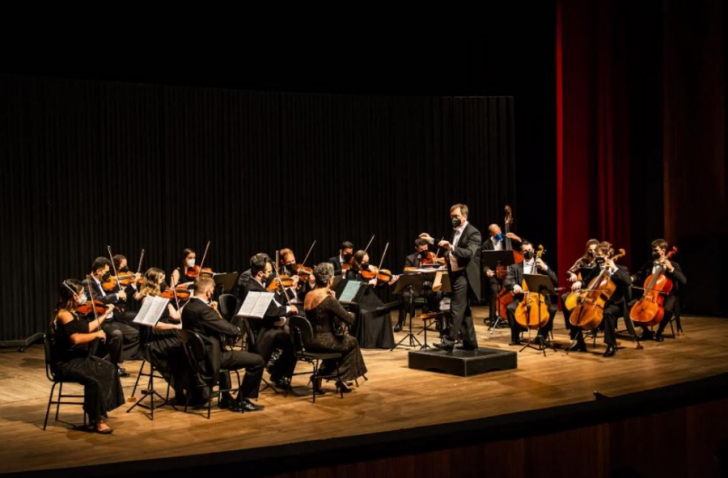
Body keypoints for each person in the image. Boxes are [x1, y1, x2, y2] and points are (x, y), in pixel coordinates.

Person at [50, 279, 125, 434]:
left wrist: (106, 314)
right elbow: (76, 339)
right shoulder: (64, 315)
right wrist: (96, 334)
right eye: (81, 293)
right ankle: (96, 419)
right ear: (73, 296)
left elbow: (88, 327)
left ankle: (100, 411)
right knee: (94, 380)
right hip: (66, 363)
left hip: (79, 359)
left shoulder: (74, 314)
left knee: (110, 368)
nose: (84, 296)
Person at [182, 276, 265, 412]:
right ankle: (243, 400)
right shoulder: (204, 310)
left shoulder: (188, 307)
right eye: (212, 290)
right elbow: (229, 329)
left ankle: (226, 398)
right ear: (208, 292)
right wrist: (238, 329)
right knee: (258, 360)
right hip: (212, 358)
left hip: (198, 357)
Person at [420, 203, 482, 351]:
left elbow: (469, 253)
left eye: (456, 216)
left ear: (465, 216)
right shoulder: (455, 231)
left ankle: (448, 341)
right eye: (452, 217)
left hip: (464, 275)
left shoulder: (473, 233)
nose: (453, 219)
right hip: (454, 274)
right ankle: (470, 342)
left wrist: (452, 248)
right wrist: (431, 240)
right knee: (463, 309)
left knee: (455, 307)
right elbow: (446, 245)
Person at [304, 263, 368, 394]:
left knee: (342, 343)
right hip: (324, 341)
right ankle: (337, 378)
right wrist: (339, 303)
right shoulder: (329, 299)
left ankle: (324, 376)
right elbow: (349, 320)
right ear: (329, 280)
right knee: (352, 342)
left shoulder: (308, 295)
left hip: (309, 340)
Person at [241, 253, 299, 390]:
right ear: (260, 273)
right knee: (293, 342)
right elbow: (268, 313)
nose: (272, 274)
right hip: (264, 332)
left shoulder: (257, 285)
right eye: (269, 271)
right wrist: (288, 309)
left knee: (294, 343)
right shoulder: (254, 289)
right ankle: (277, 374)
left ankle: (277, 373)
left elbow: (272, 306)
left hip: (268, 328)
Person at [567, 242, 631, 356]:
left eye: (599, 255)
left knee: (608, 312)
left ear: (607, 256)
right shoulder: (597, 268)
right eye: (596, 255)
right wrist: (579, 282)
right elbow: (586, 280)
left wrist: (614, 268)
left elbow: (627, 281)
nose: (597, 258)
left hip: (615, 303)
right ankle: (579, 342)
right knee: (575, 309)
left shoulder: (621, 269)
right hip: (597, 302)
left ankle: (611, 345)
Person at [135, 267, 189, 401]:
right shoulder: (147, 300)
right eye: (161, 279)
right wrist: (176, 327)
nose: (164, 282)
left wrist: (188, 302)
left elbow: (176, 316)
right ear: (154, 282)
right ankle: (180, 392)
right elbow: (153, 325)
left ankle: (192, 389)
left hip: (167, 331)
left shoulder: (164, 296)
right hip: (154, 336)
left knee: (188, 349)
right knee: (177, 352)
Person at [83, 257, 141, 374]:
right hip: (99, 321)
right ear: (99, 271)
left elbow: (116, 299)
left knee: (137, 335)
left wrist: (130, 288)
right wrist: (116, 296)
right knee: (117, 334)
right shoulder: (87, 283)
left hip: (111, 320)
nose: (109, 275)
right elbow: (97, 300)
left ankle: (108, 361)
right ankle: (113, 365)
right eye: (106, 272)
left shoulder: (102, 283)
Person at [502, 241, 559, 347]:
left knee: (552, 309)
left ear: (533, 251)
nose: (528, 252)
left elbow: (555, 280)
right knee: (510, 308)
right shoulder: (515, 267)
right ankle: (515, 338)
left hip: (540, 299)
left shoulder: (542, 265)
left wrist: (545, 268)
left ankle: (541, 336)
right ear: (521, 252)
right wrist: (514, 285)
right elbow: (507, 281)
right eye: (525, 251)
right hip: (523, 299)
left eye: (530, 250)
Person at [631, 239, 687, 342]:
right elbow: (639, 274)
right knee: (633, 307)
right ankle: (646, 332)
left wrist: (671, 269)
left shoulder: (673, 264)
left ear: (663, 251)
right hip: (650, 294)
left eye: (656, 250)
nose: (653, 253)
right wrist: (632, 278)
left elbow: (683, 280)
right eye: (652, 250)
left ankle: (659, 332)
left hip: (668, 294)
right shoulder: (649, 264)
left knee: (667, 310)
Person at [394, 238, 442, 332]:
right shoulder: (410, 258)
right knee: (405, 295)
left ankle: (438, 321)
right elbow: (406, 271)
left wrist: (436, 266)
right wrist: (418, 271)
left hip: (429, 287)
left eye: (426, 248)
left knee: (439, 294)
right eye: (422, 250)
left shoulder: (433, 257)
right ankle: (400, 322)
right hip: (416, 288)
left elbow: (439, 272)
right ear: (416, 248)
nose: (425, 252)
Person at [482, 223, 523, 322]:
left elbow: (523, 246)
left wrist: (517, 238)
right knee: (494, 289)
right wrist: (487, 270)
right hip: (495, 272)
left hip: (508, 273)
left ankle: (515, 314)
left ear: (500, 229)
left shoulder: (507, 238)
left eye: (499, 232)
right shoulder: (486, 245)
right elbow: (484, 262)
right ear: (491, 234)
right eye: (496, 234)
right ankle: (492, 317)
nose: (498, 235)